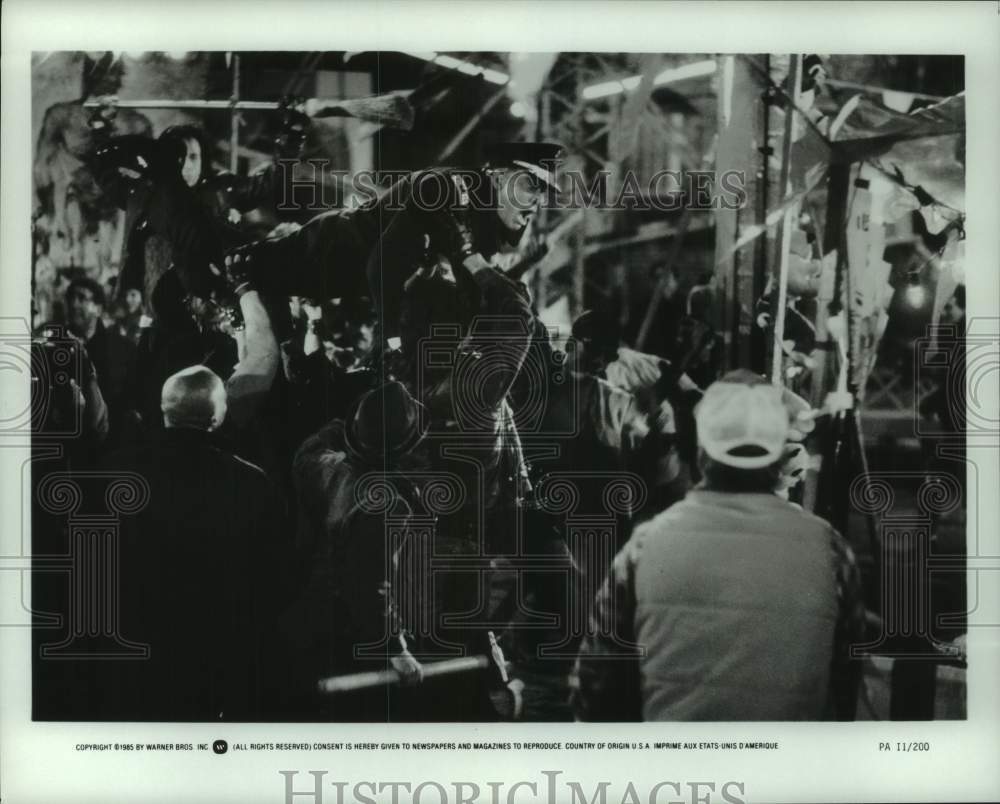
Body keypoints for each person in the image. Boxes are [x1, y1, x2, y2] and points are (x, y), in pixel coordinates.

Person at [571, 369, 865, 721]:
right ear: (780, 459)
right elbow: (845, 690)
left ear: (701, 453)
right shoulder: (831, 551)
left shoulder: (644, 548)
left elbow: (595, 693)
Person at [79, 365, 294, 721]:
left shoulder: (112, 474)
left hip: (130, 655)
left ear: (165, 408)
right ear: (217, 415)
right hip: (215, 659)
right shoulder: (252, 484)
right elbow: (273, 580)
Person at [224, 142, 563, 345]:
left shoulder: (485, 224)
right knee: (229, 270)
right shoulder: (447, 186)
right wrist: (392, 343)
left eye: (543, 193)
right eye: (532, 186)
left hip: (344, 282)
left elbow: (471, 295)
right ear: (500, 176)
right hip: (325, 250)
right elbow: (382, 267)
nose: (537, 203)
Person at [282, 380, 428, 720]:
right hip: (348, 632)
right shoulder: (388, 505)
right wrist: (397, 649)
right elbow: (372, 582)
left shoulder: (316, 463)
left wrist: (351, 426)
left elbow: (319, 441)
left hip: (305, 618)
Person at [59, 276, 135, 441]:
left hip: (111, 443)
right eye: (71, 298)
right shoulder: (55, 346)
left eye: (82, 298)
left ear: (99, 309)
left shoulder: (122, 348)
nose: (74, 304)